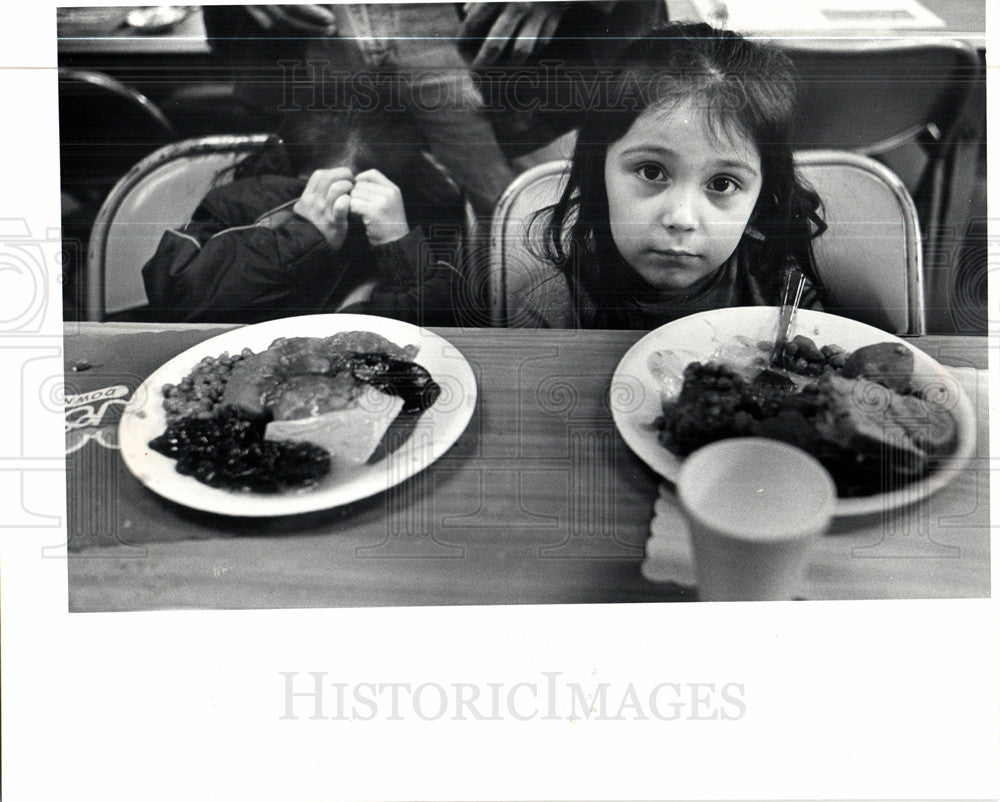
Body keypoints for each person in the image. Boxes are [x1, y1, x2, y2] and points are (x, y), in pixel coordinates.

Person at [515, 22, 829, 328]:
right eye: (652, 172)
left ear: (761, 197)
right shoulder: (553, 308)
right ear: (598, 174)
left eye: (722, 183)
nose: (681, 218)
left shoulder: (785, 296)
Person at [141, 103, 469, 326]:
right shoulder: (249, 202)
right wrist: (299, 239)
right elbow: (176, 300)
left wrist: (399, 246)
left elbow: (442, 340)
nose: (331, 204)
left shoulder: (422, 217)